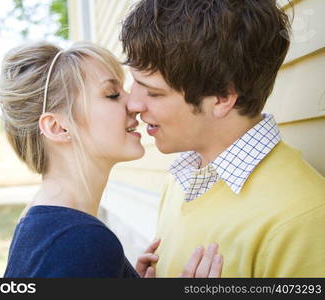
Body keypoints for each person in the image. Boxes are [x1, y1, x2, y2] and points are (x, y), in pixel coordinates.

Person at [120, 0, 325, 277]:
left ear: (222, 98)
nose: (132, 104)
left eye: (153, 92)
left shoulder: (303, 219)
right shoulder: (182, 177)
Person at [0, 41, 223, 278]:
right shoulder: (79, 242)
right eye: (112, 94)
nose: (133, 105)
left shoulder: (40, 226)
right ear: (58, 127)